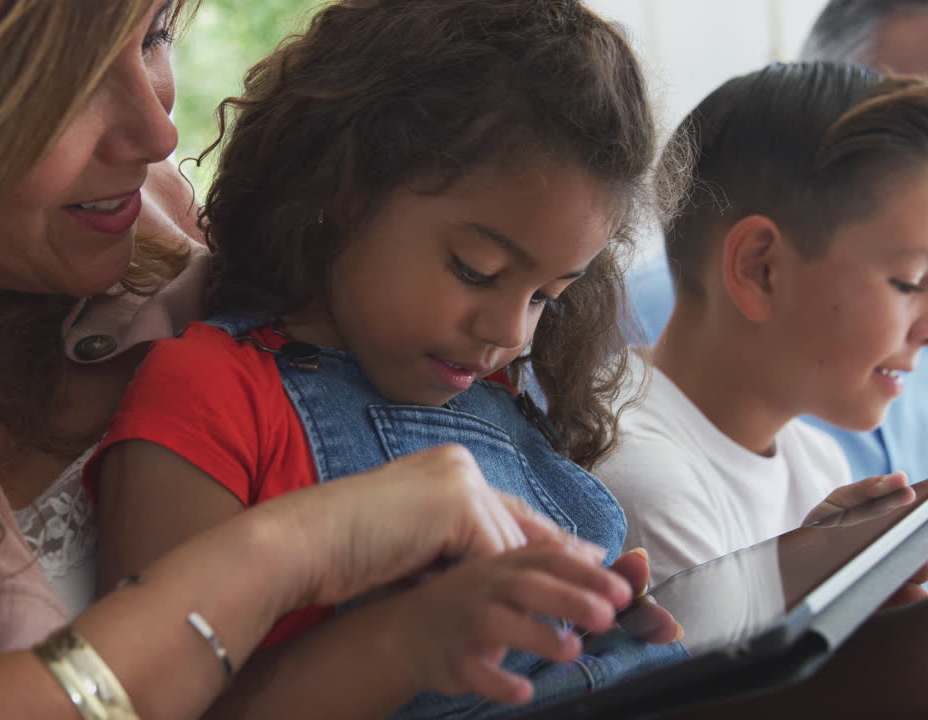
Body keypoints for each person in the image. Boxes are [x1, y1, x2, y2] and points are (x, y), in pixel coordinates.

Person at [0, 2, 643, 718]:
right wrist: (294, 548)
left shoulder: (180, 240)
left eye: (152, 36)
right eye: (61, 81)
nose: (156, 133)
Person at [91, 2, 689, 718]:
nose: (510, 331)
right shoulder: (213, 391)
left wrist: (587, 618)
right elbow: (160, 701)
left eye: (546, 297)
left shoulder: (491, 393)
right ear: (342, 191)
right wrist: (407, 640)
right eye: (476, 269)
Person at [627, 0, 928, 593]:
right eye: (909, 283)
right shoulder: (646, 488)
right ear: (761, 270)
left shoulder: (815, 465)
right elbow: (737, 687)